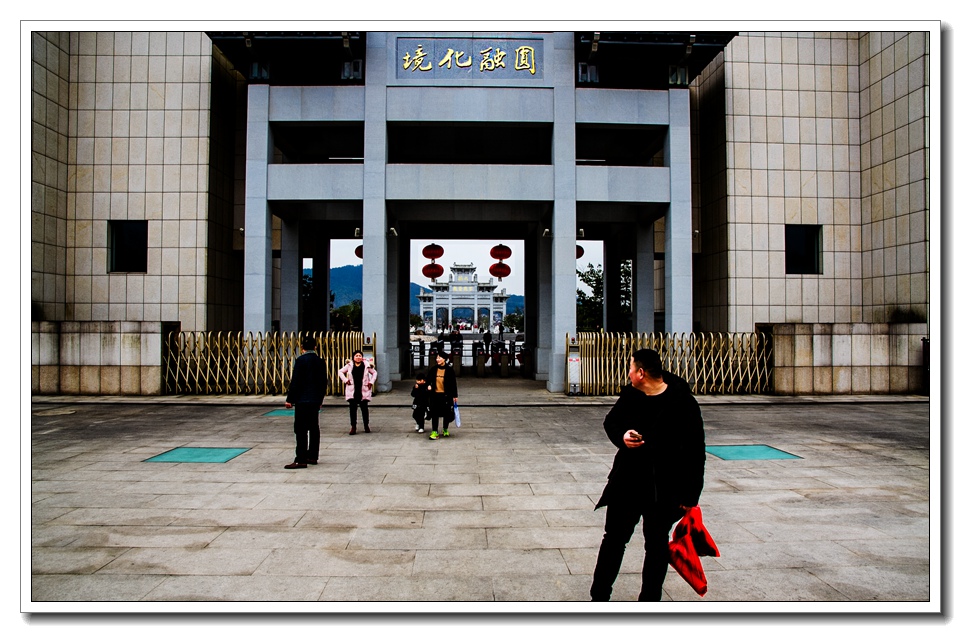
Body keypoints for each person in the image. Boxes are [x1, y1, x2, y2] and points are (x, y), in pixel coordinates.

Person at [590, 348, 705, 601]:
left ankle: (650, 602)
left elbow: (696, 452)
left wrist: (691, 495)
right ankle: (598, 597)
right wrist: (623, 436)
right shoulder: (631, 395)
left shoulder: (683, 402)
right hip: (627, 482)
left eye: (631, 368)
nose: (628, 373)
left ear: (641, 373)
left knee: (656, 545)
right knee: (613, 540)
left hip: (664, 488)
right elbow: (611, 422)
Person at [283, 336, 328, 469]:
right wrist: (320, 399)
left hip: (302, 400)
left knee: (301, 429)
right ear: (315, 347)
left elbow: (296, 381)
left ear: (302, 348)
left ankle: (301, 459)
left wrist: (290, 399)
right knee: (314, 428)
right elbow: (323, 382)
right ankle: (313, 456)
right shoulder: (320, 361)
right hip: (314, 400)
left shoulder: (300, 360)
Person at [338, 350, 377, 435]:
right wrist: (345, 380)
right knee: (352, 410)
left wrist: (371, 382)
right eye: (356, 356)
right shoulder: (349, 365)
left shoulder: (366, 365)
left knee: (364, 409)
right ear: (353, 357)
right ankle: (353, 427)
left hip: (363, 390)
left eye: (360, 356)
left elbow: (374, 373)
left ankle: (366, 425)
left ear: (362, 357)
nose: (358, 357)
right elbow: (340, 371)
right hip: (352, 390)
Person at [425, 350, 458, 440]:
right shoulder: (433, 369)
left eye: (439, 358)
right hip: (435, 395)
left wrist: (455, 396)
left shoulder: (450, 370)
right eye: (437, 358)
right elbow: (428, 380)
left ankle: (445, 428)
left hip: (446, 396)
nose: (437, 359)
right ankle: (434, 431)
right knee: (434, 413)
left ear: (444, 359)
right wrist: (428, 385)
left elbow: (453, 384)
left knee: (446, 413)